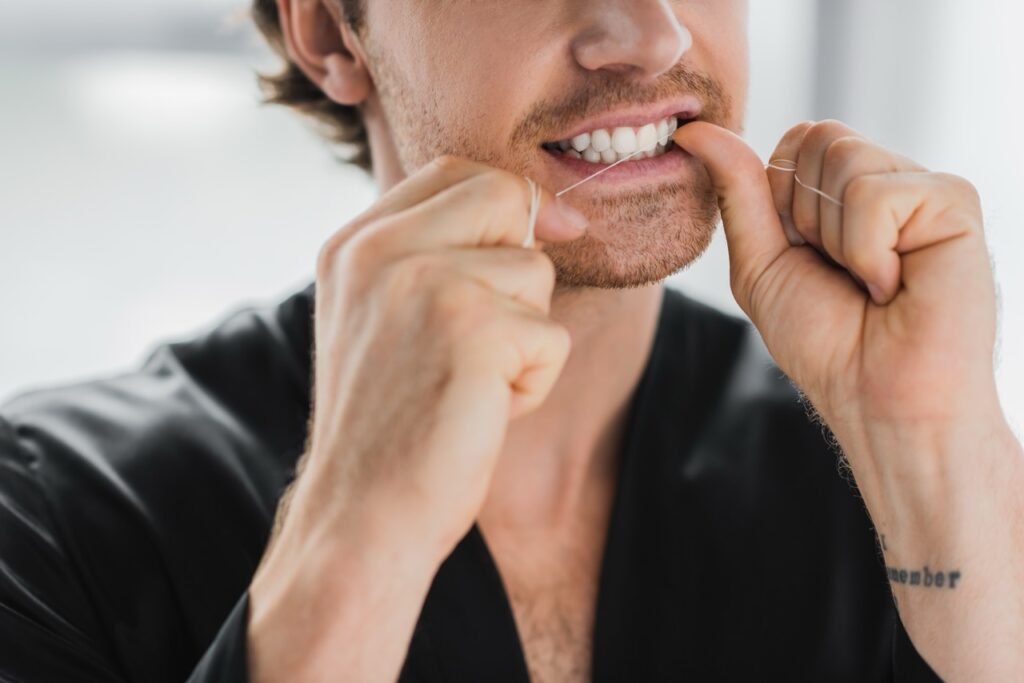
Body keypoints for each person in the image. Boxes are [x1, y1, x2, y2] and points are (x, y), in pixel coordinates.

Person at [1, 1, 1021, 681]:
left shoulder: (893, 481)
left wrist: (941, 453)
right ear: (330, 36)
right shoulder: (48, 515)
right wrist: (357, 541)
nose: (651, 34)